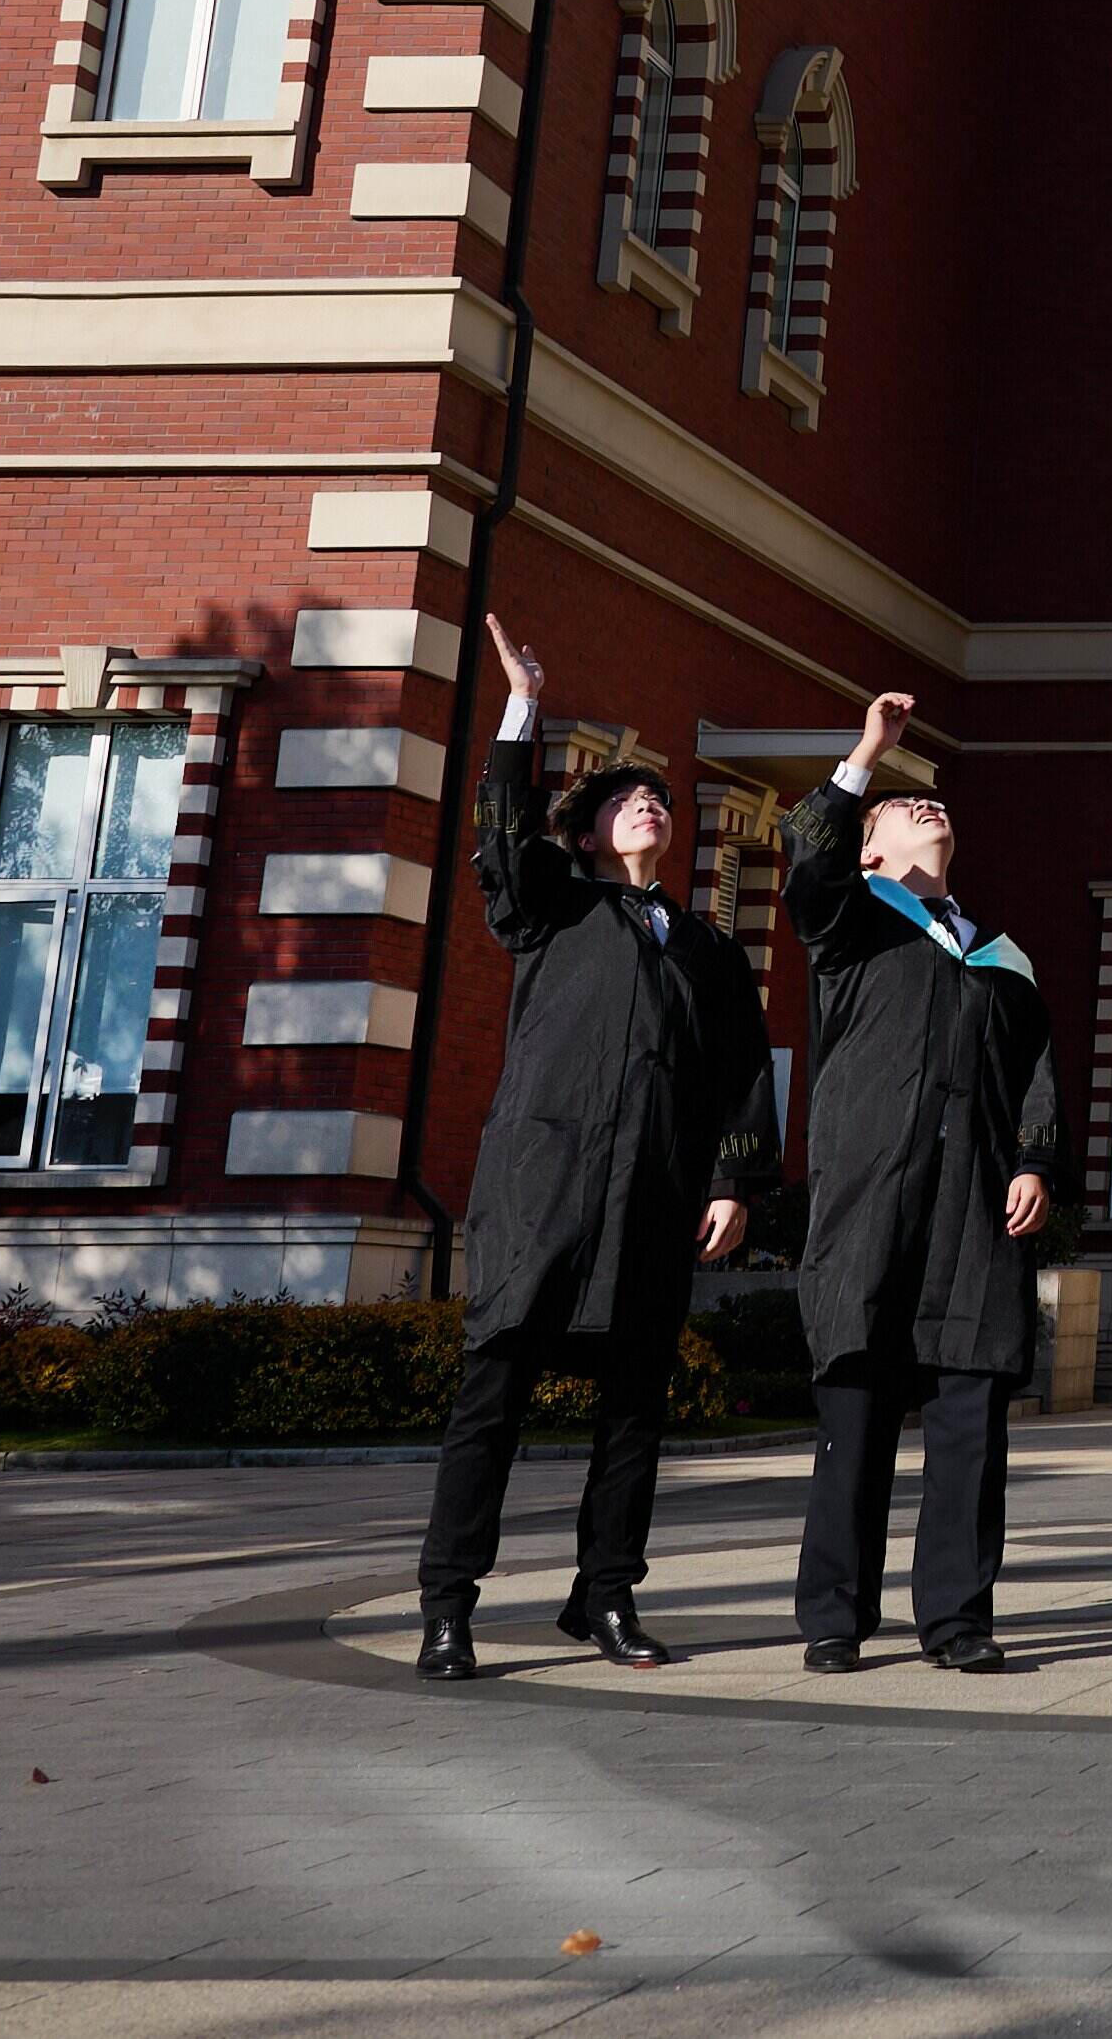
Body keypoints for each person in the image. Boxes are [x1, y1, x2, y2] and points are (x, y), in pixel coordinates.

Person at [412, 616, 769, 1682]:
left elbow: (741, 1070)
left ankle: (605, 1594)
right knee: (494, 1397)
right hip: (543, 1190)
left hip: (651, 1198)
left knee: (632, 1410)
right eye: (624, 798)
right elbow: (505, 834)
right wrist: (522, 704)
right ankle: (449, 1605)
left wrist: (733, 1180)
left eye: (656, 795)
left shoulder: (705, 946)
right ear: (590, 830)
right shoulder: (552, 908)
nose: (648, 803)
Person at [778, 687, 1063, 1676]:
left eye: (936, 803)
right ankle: (833, 1615)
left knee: (969, 1420)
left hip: (973, 1209)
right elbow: (806, 863)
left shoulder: (1001, 954)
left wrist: (1031, 1157)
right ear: (868, 846)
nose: (927, 806)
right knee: (854, 1414)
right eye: (902, 807)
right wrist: (865, 754)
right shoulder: (852, 924)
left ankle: (956, 1617)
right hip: (872, 1201)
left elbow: (1035, 1069)